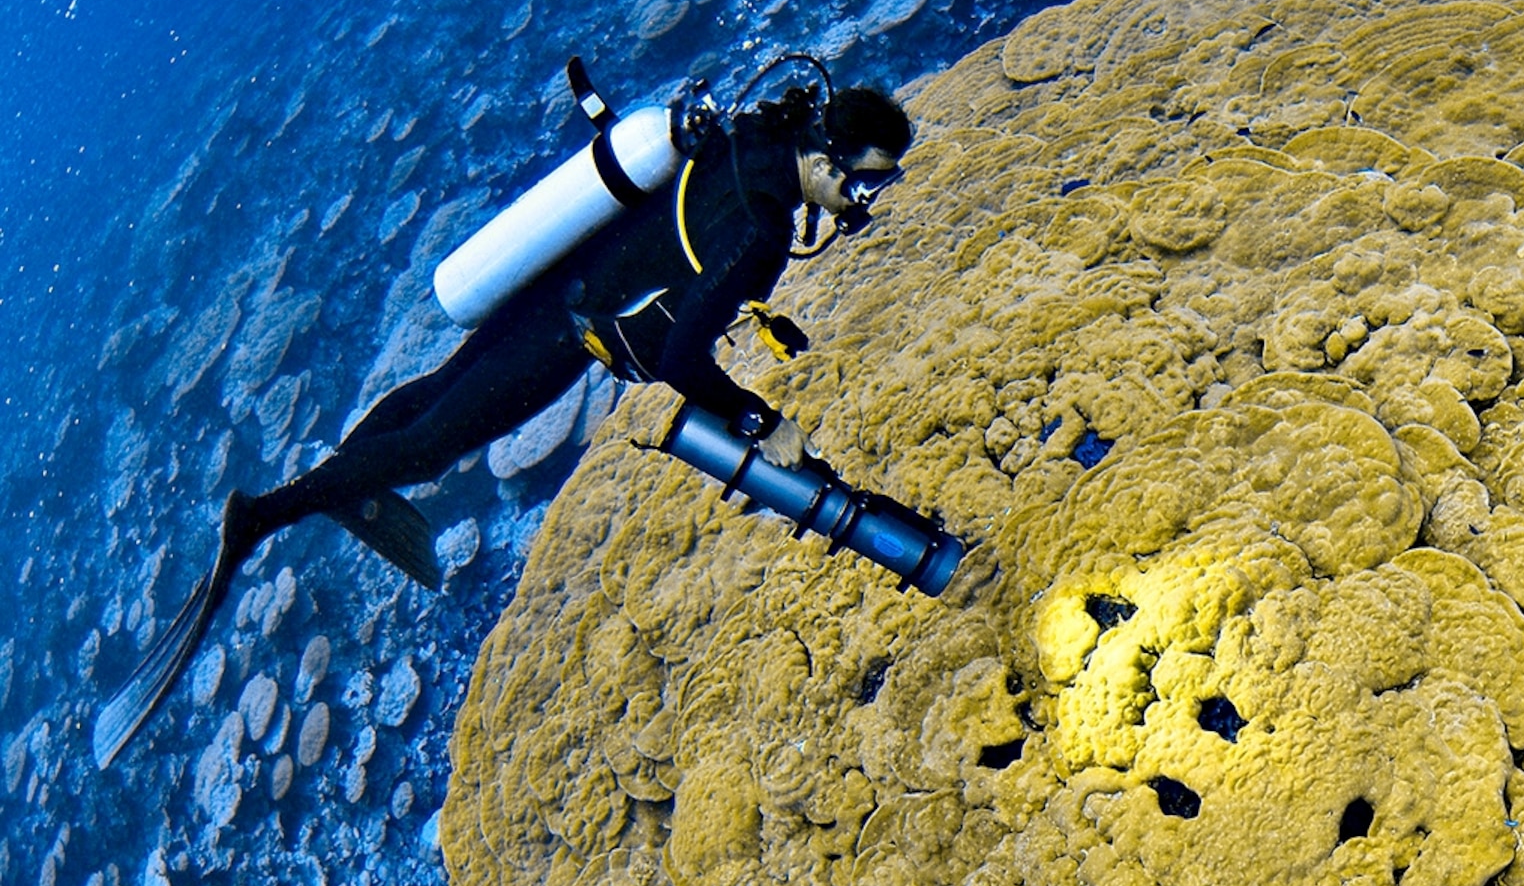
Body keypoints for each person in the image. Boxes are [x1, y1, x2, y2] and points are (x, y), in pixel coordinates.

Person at [92, 77, 914, 767]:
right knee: (427, 450)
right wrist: (758, 418)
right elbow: (680, 364)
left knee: (430, 394)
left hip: (550, 283)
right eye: (865, 180)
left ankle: (349, 473)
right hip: (565, 337)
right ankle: (260, 520)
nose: (863, 200)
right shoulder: (765, 232)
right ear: (826, 155)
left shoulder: (755, 132)